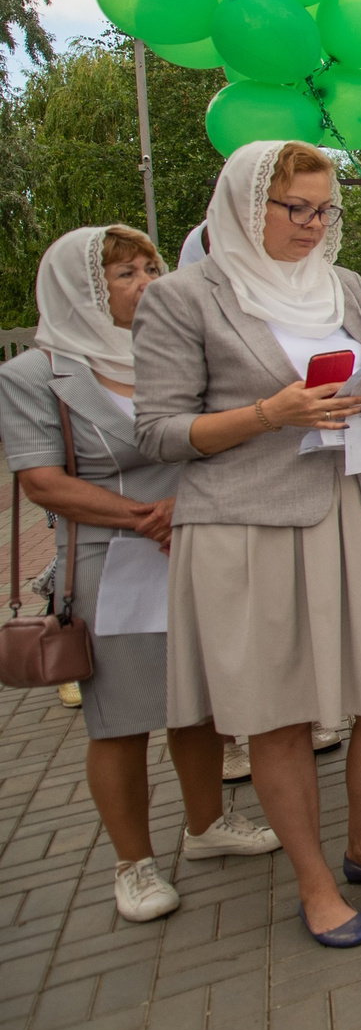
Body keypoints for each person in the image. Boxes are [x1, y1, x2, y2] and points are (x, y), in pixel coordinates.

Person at [134, 140, 361, 949]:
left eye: (325, 210)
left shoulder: (344, 284)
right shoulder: (184, 296)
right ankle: (314, 883)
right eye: (296, 210)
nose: (314, 225)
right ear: (248, 209)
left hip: (355, 504)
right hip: (250, 523)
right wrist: (266, 415)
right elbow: (159, 433)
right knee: (277, 712)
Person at [1, 226, 281, 923]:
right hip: (111, 559)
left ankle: (206, 823)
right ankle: (133, 862)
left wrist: (181, 507)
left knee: (201, 699)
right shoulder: (35, 376)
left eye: (150, 266)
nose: (148, 281)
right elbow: (42, 481)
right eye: (125, 273)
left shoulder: (176, 348)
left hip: (198, 535)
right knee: (120, 718)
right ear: (84, 291)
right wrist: (138, 515)